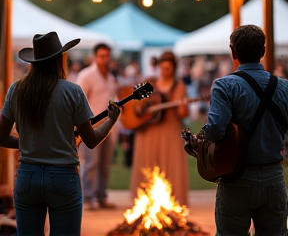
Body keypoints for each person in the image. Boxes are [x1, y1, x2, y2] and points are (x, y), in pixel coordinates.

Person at [0, 31, 121, 236]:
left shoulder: (16, 90)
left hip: (28, 176)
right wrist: (111, 120)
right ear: (59, 59)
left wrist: (28, 145)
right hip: (64, 176)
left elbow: (1, 136)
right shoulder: (72, 91)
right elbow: (90, 140)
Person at [200, 25, 288, 235]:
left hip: (237, 178)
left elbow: (214, 132)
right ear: (263, 52)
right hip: (274, 176)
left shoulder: (225, 86)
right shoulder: (284, 87)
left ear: (233, 52)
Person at [130, 51, 190, 206]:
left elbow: (183, 113)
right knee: (147, 164)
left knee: (170, 163)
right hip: (148, 130)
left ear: (174, 69)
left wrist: (183, 106)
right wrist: (143, 109)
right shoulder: (150, 81)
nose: (165, 72)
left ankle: (170, 200)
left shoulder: (179, 85)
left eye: (168, 69)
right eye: (162, 68)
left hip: (169, 129)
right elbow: (136, 104)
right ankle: (146, 199)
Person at [76, 43, 118, 209]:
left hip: (109, 126)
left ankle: (101, 196)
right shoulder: (85, 76)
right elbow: (79, 102)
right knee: (91, 163)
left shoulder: (111, 77)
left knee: (105, 164)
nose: (104, 59)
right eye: (101, 56)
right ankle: (88, 197)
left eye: (107, 56)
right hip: (91, 126)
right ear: (94, 57)